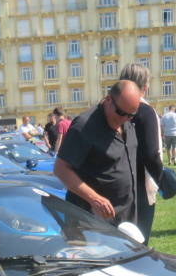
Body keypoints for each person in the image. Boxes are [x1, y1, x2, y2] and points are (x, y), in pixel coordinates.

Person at [54, 80, 140, 226]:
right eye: (121, 113)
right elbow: (61, 169)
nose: (125, 119)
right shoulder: (84, 125)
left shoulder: (125, 122)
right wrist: (94, 198)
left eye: (131, 115)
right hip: (91, 221)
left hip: (125, 219)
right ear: (108, 100)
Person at [120, 63, 163, 243]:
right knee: (139, 242)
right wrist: (163, 179)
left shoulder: (107, 107)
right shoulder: (145, 111)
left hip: (112, 182)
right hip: (139, 185)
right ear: (145, 87)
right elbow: (152, 153)